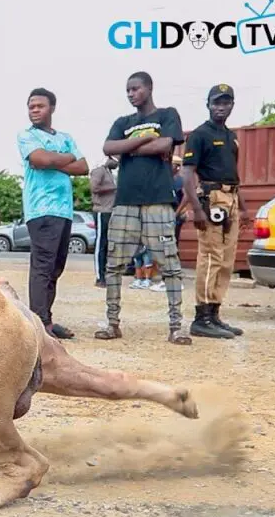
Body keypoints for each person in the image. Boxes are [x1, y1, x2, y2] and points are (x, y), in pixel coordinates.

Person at [96, 71, 190, 345]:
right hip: (125, 201)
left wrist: (127, 149)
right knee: (114, 264)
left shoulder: (167, 115)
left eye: (135, 88)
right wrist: (141, 143)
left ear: (149, 88)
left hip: (159, 200)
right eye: (128, 90)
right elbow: (108, 147)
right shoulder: (122, 122)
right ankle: (112, 323)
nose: (130, 93)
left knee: (169, 265)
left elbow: (166, 143)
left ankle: (176, 327)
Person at [16, 88, 89, 339]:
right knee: (43, 266)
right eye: (31, 106)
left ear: (52, 109)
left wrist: (54, 158)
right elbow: (38, 160)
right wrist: (66, 157)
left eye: (40, 106)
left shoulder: (64, 136)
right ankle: (39, 324)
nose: (34, 110)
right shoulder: (26, 136)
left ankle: (45, 319)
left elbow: (83, 167)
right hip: (41, 209)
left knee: (56, 267)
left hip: (64, 210)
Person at [182, 83, 249, 339]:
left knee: (226, 260)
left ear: (232, 105)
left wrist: (242, 208)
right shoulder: (200, 135)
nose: (220, 107)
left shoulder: (232, 137)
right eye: (216, 103)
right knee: (210, 256)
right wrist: (197, 210)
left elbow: (233, 176)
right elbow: (188, 173)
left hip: (230, 198)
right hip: (211, 199)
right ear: (208, 104)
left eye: (226, 102)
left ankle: (215, 314)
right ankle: (201, 318)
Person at [89, 156, 118, 288]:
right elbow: (94, 188)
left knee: (108, 245)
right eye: (116, 161)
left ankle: (106, 275)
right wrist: (113, 188)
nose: (117, 164)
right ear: (109, 159)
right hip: (101, 211)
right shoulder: (99, 171)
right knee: (100, 244)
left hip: (110, 211)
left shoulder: (109, 173)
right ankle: (99, 277)